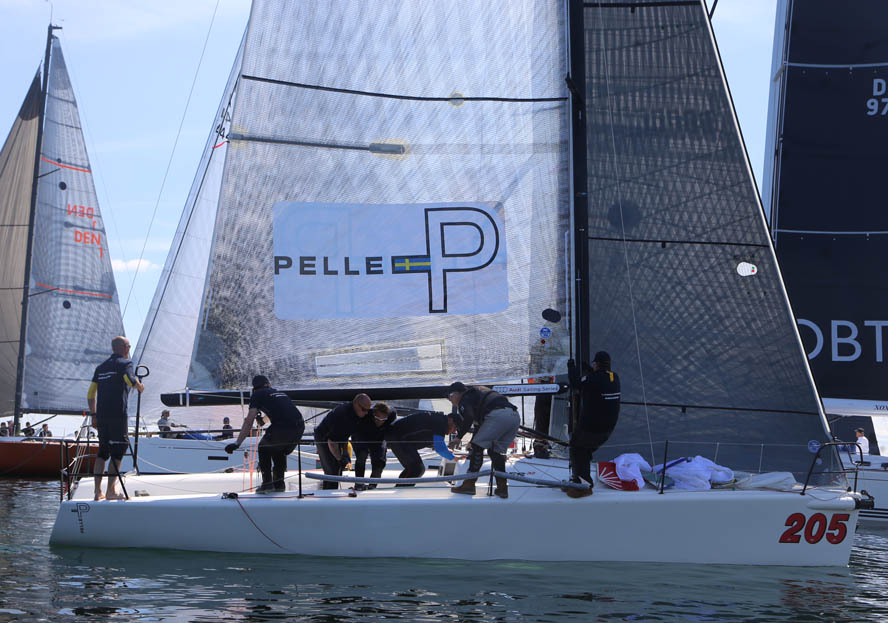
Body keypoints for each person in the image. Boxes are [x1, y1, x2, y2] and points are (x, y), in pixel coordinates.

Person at [88, 335, 144, 501]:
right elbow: (130, 380)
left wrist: (93, 415)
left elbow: (91, 393)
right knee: (118, 450)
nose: (129, 349)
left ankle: (97, 492)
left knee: (102, 452)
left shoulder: (101, 367)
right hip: (118, 415)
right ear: (123, 348)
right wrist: (140, 386)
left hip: (102, 416)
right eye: (128, 346)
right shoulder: (125, 364)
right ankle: (111, 491)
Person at [225, 375, 304, 492]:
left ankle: (267, 484)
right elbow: (282, 410)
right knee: (279, 451)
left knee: (264, 448)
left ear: (254, 388)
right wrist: (262, 421)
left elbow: (249, 421)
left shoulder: (257, 395)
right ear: (268, 384)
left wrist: (237, 443)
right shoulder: (279, 393)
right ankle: (279, 484)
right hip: (299, 426)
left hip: (283, 427)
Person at [448, 382, 520, 499]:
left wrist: (458, 438)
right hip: (514, 416)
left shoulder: (465, 399)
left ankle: (469, 484)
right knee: (495, 452)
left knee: (477, 447)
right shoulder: (476, 394)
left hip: (498, 415)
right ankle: (502, 488)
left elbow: (469, 418)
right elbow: (479, 426)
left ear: (456, 393)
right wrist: (473, 439)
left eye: (450, 397)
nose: (450, 400)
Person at [566, 351, 621, 497]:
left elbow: (576, 384)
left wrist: (571, 368)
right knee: (584, 450)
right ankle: (577, 481)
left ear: (596, 364)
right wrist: (588, 370)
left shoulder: (593, 379)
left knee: (578, 449)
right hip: (608, 428)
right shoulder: (614, 377)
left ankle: (584, 486)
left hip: (592, 427)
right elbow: (597, 381)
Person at [313, 394, 371, 489]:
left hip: (337, 438)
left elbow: (344, 435)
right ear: (356, 404)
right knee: (332, 470)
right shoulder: (343, 416)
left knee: (338, 468)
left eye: (368, 410)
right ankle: (329, 496)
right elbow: (331, 441)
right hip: (323, 437)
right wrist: (340, 459)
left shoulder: (357, 414)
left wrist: (345, 454)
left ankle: (329, 492)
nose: (366, 413)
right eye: (364, 410)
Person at [384, 411, 458, 485]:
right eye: (455, 427)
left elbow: (431, 439)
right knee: (417, 469)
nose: (454, 431)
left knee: (414, 469)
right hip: (399, 438)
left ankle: (401, 490)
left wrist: (446, 450)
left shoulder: (438, 420)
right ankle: (400, 492)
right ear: (450, 420)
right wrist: (453, 458)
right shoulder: (440, 423)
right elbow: (440, 449)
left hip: (399, 438)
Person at [351, 403, 395, 490]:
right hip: (361, 434)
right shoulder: (364, 415)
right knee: (361, 456)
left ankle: (372, 485)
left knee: (380, 461)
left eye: (384, 419)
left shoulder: (391, 414)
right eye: (378, 418)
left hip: (378, 437)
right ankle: (359, 484)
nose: (380, 421)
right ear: (373, 414)